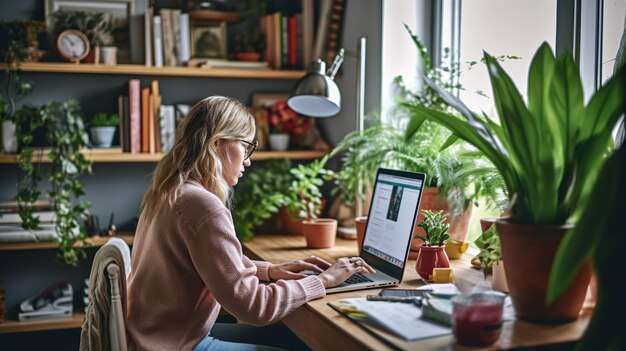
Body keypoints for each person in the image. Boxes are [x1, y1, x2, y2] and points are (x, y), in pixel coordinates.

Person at [127, 96, 375, 351]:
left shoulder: (171, 190)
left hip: (155, 335)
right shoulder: (204, 207)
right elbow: (254, 307)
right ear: (218, 144)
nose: (248, 160)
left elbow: (208, 263)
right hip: (176, 344)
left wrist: (269, 270)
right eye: (246, 146)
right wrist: (322, 281)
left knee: (296, 339)